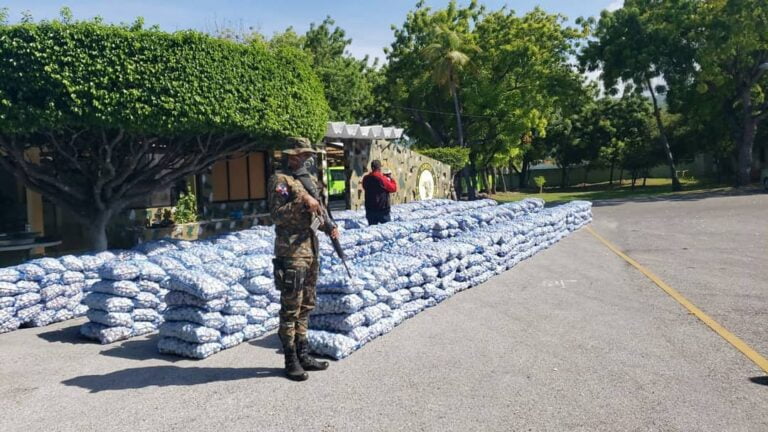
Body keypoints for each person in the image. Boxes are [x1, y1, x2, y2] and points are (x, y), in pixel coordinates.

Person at [267, 137, 340, 382]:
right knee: (290, 307)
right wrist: (301, 202)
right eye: (300, 154)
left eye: (306, 154)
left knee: (306, 304)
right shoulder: (281, 180)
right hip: (291, 252)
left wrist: (327, 226)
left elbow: (315, 214)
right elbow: (276, 215)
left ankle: (303, 352)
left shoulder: (308, 180)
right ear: (291, 155)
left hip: (310, 249)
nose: (304, 158)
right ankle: (290, 360)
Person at [362, 160, 397, 225]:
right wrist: (390, 179)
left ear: (372, 168)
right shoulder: (382, 178)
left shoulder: (365, 178)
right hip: (382, 210)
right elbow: (393, 188)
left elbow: (364, 187)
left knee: (372, 231)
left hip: (370, 210)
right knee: (387, 230)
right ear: (380, 168)